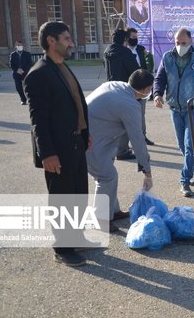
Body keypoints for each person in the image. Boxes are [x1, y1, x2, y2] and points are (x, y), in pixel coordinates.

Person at [23, 21, 92, 267]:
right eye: (66, 38)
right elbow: (38, 120)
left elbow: (76, 103)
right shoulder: (38, 74)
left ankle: (76, 236)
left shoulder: (62, 67)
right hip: (57, 149)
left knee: (78, 194)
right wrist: (47, 154)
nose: (71, 43)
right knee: (62, 197)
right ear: (51, 41)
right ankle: (62, 248)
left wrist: (86, 133)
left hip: (75, 142)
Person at [86, 69, 155, 231]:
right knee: (106, 177)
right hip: (88, 141)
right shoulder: (130, 105)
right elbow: (137, 140)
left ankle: (113, 211)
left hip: (94, 135)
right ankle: (101, 219)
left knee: (110, 174)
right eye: (150, 88)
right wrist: (147, 172)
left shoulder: (115, 85)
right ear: (145, 90)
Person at [153, 28, 194, 197]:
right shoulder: (168, 57)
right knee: (182, 146)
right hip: (175, 108)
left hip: (193, 108)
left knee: (190, 145)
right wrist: (157, 94)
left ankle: (185, 181)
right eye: (177, 43)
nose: (180, 46)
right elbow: (160, 78)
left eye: (183, 43)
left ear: (190, 41)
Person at [103, 29, 140, 160]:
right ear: (124, 40)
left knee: (114, 121)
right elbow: (135, 71)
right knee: (126, 121)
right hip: (125, 89)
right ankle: (122, 150)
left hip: (111, 88)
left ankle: (116, 148)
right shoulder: (125, 52)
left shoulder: (107, 51)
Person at [126, 27, 154, 146]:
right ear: (127, 38)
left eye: (136, 37)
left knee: (141, 113)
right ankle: (125, 142)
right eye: (133, 37)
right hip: (128, 87)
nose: (135, 40)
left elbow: (148, 62)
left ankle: (142, 136)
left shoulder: (141, 49)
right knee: (127, 115)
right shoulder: (123, 50)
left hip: (141, 87)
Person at [9, 40, 32, 105]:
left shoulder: (27, 54)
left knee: (28, 87)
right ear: (16, 46)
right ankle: (23, 100)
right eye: (18, 45)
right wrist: (17, 70)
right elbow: (11, 64)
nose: (20, 46)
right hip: (16, 73)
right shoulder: (13, 54)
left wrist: (24, 70)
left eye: (21, 45)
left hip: (25, 73)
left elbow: (29, 63)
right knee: (18, 87)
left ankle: (30, 99)